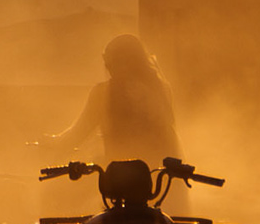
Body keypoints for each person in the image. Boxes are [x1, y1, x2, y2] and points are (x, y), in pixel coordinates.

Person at [44, 34, 180, 167]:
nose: (109, 68)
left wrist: (54, 146)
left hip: (118, 178)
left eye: (112, 62)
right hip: (160, 178)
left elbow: (78, 133)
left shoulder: (103, 93)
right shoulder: (161, 87)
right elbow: (169, 133)